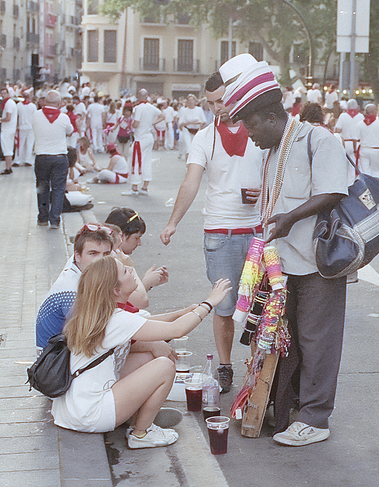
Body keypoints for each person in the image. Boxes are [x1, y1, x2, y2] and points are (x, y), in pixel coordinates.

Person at [222, 53, 350, 445]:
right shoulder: (273, 150)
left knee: (317, 341)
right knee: (284, 338)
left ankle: (315, 418)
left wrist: (291, 218)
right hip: (283, 267)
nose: (249, 134)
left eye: (251, 125)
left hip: (317, 265)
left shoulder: (318, 139)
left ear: (271, 117)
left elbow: (332, 191)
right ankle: (285, 407)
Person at [50, 255, 231, 448]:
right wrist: (210, 302)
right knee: (164, 366)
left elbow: (147, 323)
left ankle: (136, 415)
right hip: (91, 414)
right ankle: (141, 433)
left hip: (72, 409)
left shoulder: (98, 312)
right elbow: (177, 330)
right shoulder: (117, 319)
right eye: (125, 271)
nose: (130, 270)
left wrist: (182, 312)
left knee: (146, 357)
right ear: (116, 290)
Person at [160, 71, 265, 394]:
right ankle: (225, 365)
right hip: (218, 231)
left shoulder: (261, 132)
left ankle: (256, 369)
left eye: (222, 100)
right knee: (224, 306)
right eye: (211, 103)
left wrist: (261, 192)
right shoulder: (204, 137)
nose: (217, 107)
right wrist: (173, 221)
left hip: (257, 231)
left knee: (259, 306)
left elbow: (278, 175)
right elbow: (191, 181)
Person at [104, 207, 168, 310]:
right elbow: (140, 302)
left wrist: (146, 283)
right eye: (136, 238)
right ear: (122, 235)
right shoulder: (110, 259)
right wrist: (132, 269)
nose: (139, 243)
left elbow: (127, 298)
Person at [32, 90, 73, 229]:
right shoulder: (64, 117)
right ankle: (54, 220)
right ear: (59, 103)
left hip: (42, 156)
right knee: (58, 189)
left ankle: (42, 217)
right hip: (59, 157)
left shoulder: (36, 115)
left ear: (44, 101)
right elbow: (69, 131)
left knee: (42, 187)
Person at [123, 90, 163, 196]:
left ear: (138, 96)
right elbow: (162, 116)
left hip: (140, 138)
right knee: (146, 161)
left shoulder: (138, 108)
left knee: (135, 162)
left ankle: (134, 187)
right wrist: (151, 123)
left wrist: (130, 125)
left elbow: (136, 124)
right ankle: (145, 186)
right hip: (149, 137)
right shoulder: (151, 107)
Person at [356, 104, 379, 177]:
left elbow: (357, 138)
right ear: (374, 111)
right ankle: (374, 186)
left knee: (364, 171)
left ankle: (365, 186)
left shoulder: (360, 124)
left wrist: (355, 150)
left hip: (364, 149)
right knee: (375, 171)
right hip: (376, 150)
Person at [0, 87, 18, 175]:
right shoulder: (10, 103)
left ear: (8, 94)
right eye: (2, 93)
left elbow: (8, 118)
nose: (3, 95)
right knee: (9, 148)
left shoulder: (8, 104)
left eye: (4, 93)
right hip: (10, 128)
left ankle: (8, 167)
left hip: (7, 129)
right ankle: (9, 166)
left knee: (7, 149)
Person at [334, 99, 364, 163]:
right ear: (356, 106)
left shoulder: (343, 116)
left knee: (344, 165)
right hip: (357, 144)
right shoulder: (361, 116)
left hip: (345, 143)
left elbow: (337, 130)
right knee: (354, 165)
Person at [176, 95, 205, 161]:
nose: (191, 102)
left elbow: (203, 121)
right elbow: (181, 123)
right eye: (189, 100)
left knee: (195, 148)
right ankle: (187, 165)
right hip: (187, 130)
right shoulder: (184, 110)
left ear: (195, 101)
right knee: (188, 148)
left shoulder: (199, 109)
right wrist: (189, 122)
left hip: (196, 130)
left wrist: (197, 122)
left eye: (192, 100)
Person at [14, 90, 37, 167]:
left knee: (20, 144)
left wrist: (16, 126)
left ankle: (18, 160)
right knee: (29, 144)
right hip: (31, 127)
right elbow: (35, 117)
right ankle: (28, 160)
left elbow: (16, 117)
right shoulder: (33, 106)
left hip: (21, 126)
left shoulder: (19, 105)